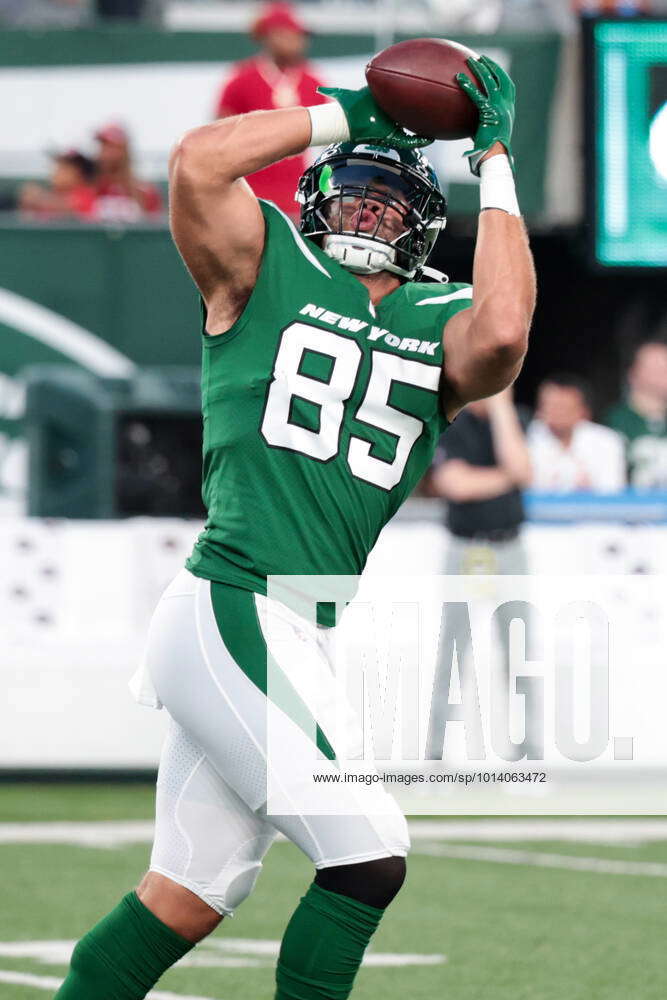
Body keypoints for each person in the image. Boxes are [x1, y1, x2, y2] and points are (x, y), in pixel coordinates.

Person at [54, 55, 535, 1000]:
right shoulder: (262, 261)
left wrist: (497, 160)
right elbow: (198, 164)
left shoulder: (446, 319)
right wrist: (345, 113)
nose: (367, 216)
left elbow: (507, 330)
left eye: (389, 206)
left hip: (296, 625)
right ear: (317, 200)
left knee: (188, 894)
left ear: (424, 231)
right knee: (369, 855)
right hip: (231, 599)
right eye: (352, 197)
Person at [425, 389, 539, 759]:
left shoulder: (516, 418)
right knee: (453, 652)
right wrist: (509, 478)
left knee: (519, 651)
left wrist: (502, 404)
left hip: (510, 546)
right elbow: (455, 485)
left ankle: (527, 756)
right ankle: (437, 757)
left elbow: (522, 468)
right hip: (466, 548)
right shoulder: (451, 418)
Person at [214, 2, 327, 216]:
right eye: (291, 34)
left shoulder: (313, 81)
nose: (299, 41)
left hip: (297, 197)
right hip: (249, 195)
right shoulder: (241, 79)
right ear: (271, 36)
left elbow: (328, 145)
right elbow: (221, 136)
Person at [528, 373, 626, 492]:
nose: (556, 413)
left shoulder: (607, 441)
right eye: (549, 406)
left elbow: (612, 494)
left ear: (583, 412)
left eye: (563, 408)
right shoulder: (524, 439)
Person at [605, 341, 667, 489]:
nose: (664, 372)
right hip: (628, 507)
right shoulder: (612, 421)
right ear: (633, 374)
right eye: (657, 368)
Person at [93, 123, 163, 222]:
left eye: (111, 147)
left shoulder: (144, 191)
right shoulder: (91, 186)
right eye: (103, 146)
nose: (106, 153)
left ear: (125, 150)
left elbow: (153, 227)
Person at [18, 150, 97, 220]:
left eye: (64, 168)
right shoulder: (54, 194)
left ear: (80, 174)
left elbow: (70, 207)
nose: (56, 172)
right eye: (58, 167)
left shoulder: (85, 194)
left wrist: (38, 198)